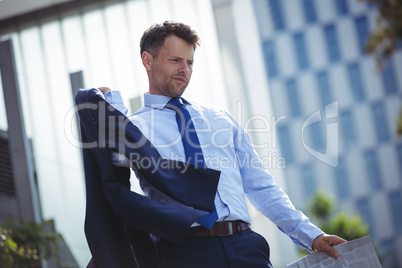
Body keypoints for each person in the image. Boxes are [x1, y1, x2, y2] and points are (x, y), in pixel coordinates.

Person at [99, 20, 346, 267]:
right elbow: (113, 165)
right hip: (183, 254)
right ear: (147, 61)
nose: (185, 69)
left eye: (190, 62)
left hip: (245, 247)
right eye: (175, 60)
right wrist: (110, 106)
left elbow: (261, 186)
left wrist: (311, 235)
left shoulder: (220, 118)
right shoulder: (136, 127)